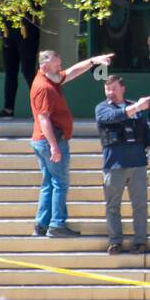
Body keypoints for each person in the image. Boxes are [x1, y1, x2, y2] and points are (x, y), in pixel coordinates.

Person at [30, 47, 113, 237]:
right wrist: (54, 146)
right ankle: (57, 225)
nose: (60, 67)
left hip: (42, 140)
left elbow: (72, 72)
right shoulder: (44, 87)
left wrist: (93, 60)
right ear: (45, 66)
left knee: (49, 183)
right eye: (56, 64)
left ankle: (42, 224)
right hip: (50, 141)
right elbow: (44, 119)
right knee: (60, 183)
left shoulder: (50, 78)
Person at [95, 75, 150, 256]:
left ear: (123, 89)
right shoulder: (102, 108)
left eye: (113, 88)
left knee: (140, 205)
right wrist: (136, 107)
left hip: (138, 164)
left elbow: (145, 131)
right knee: (112, 206)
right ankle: (115, 242)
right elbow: (112, 117)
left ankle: (140, 241)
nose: (110, 93)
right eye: (107, 89)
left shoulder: (136, 109)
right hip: (114, 165)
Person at [0, 16, 40, 118]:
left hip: (27, 31)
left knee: (28, 71)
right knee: (10, 71)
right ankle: (8, 109)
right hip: (8, 32)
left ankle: (40, 109)